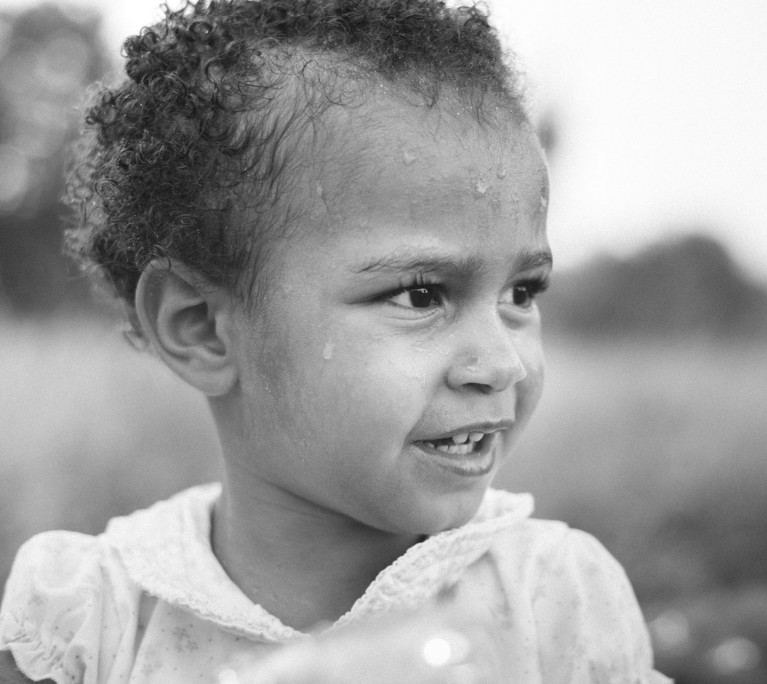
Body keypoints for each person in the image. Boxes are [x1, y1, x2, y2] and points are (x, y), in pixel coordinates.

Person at [0, 1, 670, 681]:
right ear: (200, 328)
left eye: (522, 294)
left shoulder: (552, 604)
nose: (501, 363)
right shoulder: (91, 620)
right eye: (422, 294)